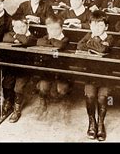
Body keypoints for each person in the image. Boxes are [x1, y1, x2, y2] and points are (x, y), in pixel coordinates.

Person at [76, 10, 114, 141]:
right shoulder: (88, 35)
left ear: (106, 27)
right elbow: (79, 46)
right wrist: (93, 44)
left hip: (106, 76)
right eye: (93, 25)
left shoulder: (109, 38)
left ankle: (101, 123)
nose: (96, 28)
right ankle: (92, 122)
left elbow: (103, 49)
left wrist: (90, 45)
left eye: (100, 25)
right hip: (90, 74)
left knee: (102, 98)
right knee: (90, 96)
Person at [2, 15, 37, 123]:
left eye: (22, 26)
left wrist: (17, 37)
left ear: (28, 26)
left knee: (19, 88)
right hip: (13, 66)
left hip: (26, 68)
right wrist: (19, 37)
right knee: (6, 83)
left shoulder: (32, 37)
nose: (20, 29)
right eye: (16, 27)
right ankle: (8, 101)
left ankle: (17, 109)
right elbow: (5, 38)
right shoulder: (12, 34)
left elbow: (27, 41)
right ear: (13, 28)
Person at [35, 14, 70, 119]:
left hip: (63, 72)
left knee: (61, 89)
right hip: (48, 71)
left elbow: (60, 45)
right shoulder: (46, 37)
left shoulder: (65, 39)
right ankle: (43, 102)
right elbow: (38, 41)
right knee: (43, 87)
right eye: (50, 29)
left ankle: (64, 102)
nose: (53, 31)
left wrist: (51, 40)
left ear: (62, 28)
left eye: (56, 29)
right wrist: (50, 40)